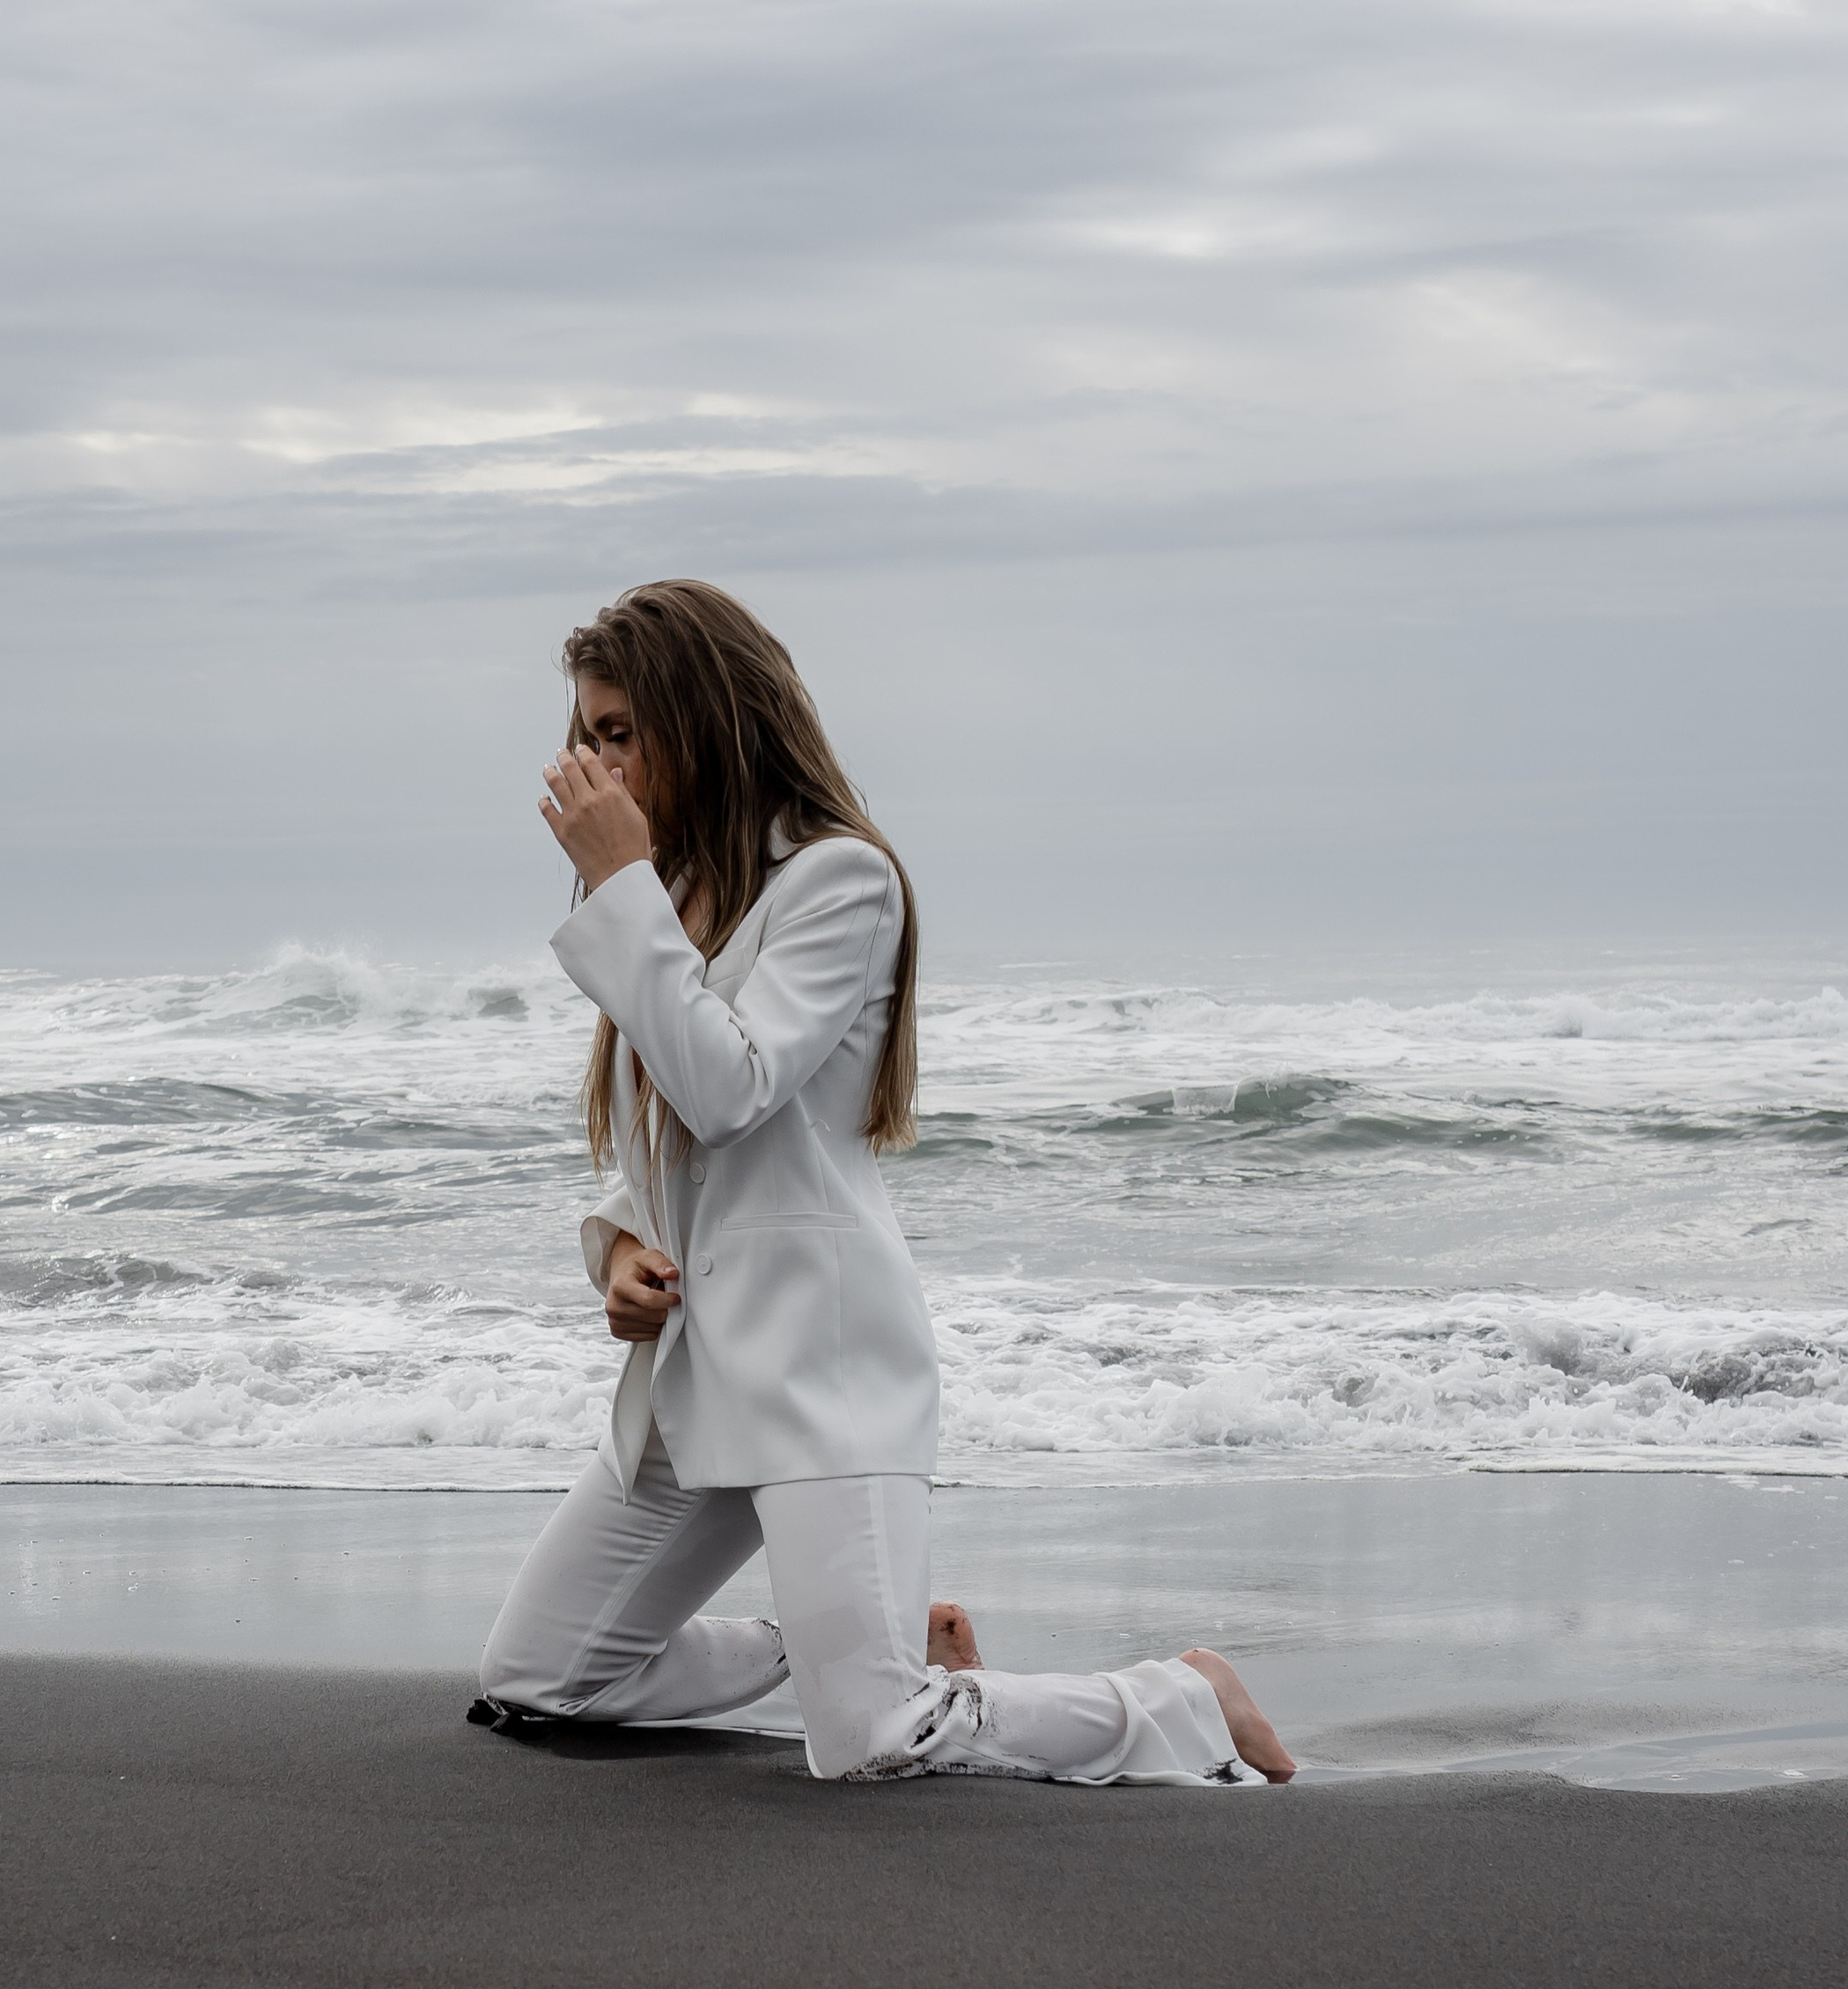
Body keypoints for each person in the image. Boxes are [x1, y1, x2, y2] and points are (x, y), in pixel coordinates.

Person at [474, 580, 1295, 1788]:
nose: (589, 763)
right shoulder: (680, 898)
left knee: (869, 1743)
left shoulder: (838, 882)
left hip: (822, 1369)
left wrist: (619, 889)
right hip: (697, 1373)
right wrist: (615, 1252)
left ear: (708, 722)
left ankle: (1183, 1700)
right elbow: (663, 1146)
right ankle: (872, 1643)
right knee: (534, 1683)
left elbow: (732, 1088)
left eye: (617, 732)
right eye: (582, 733)